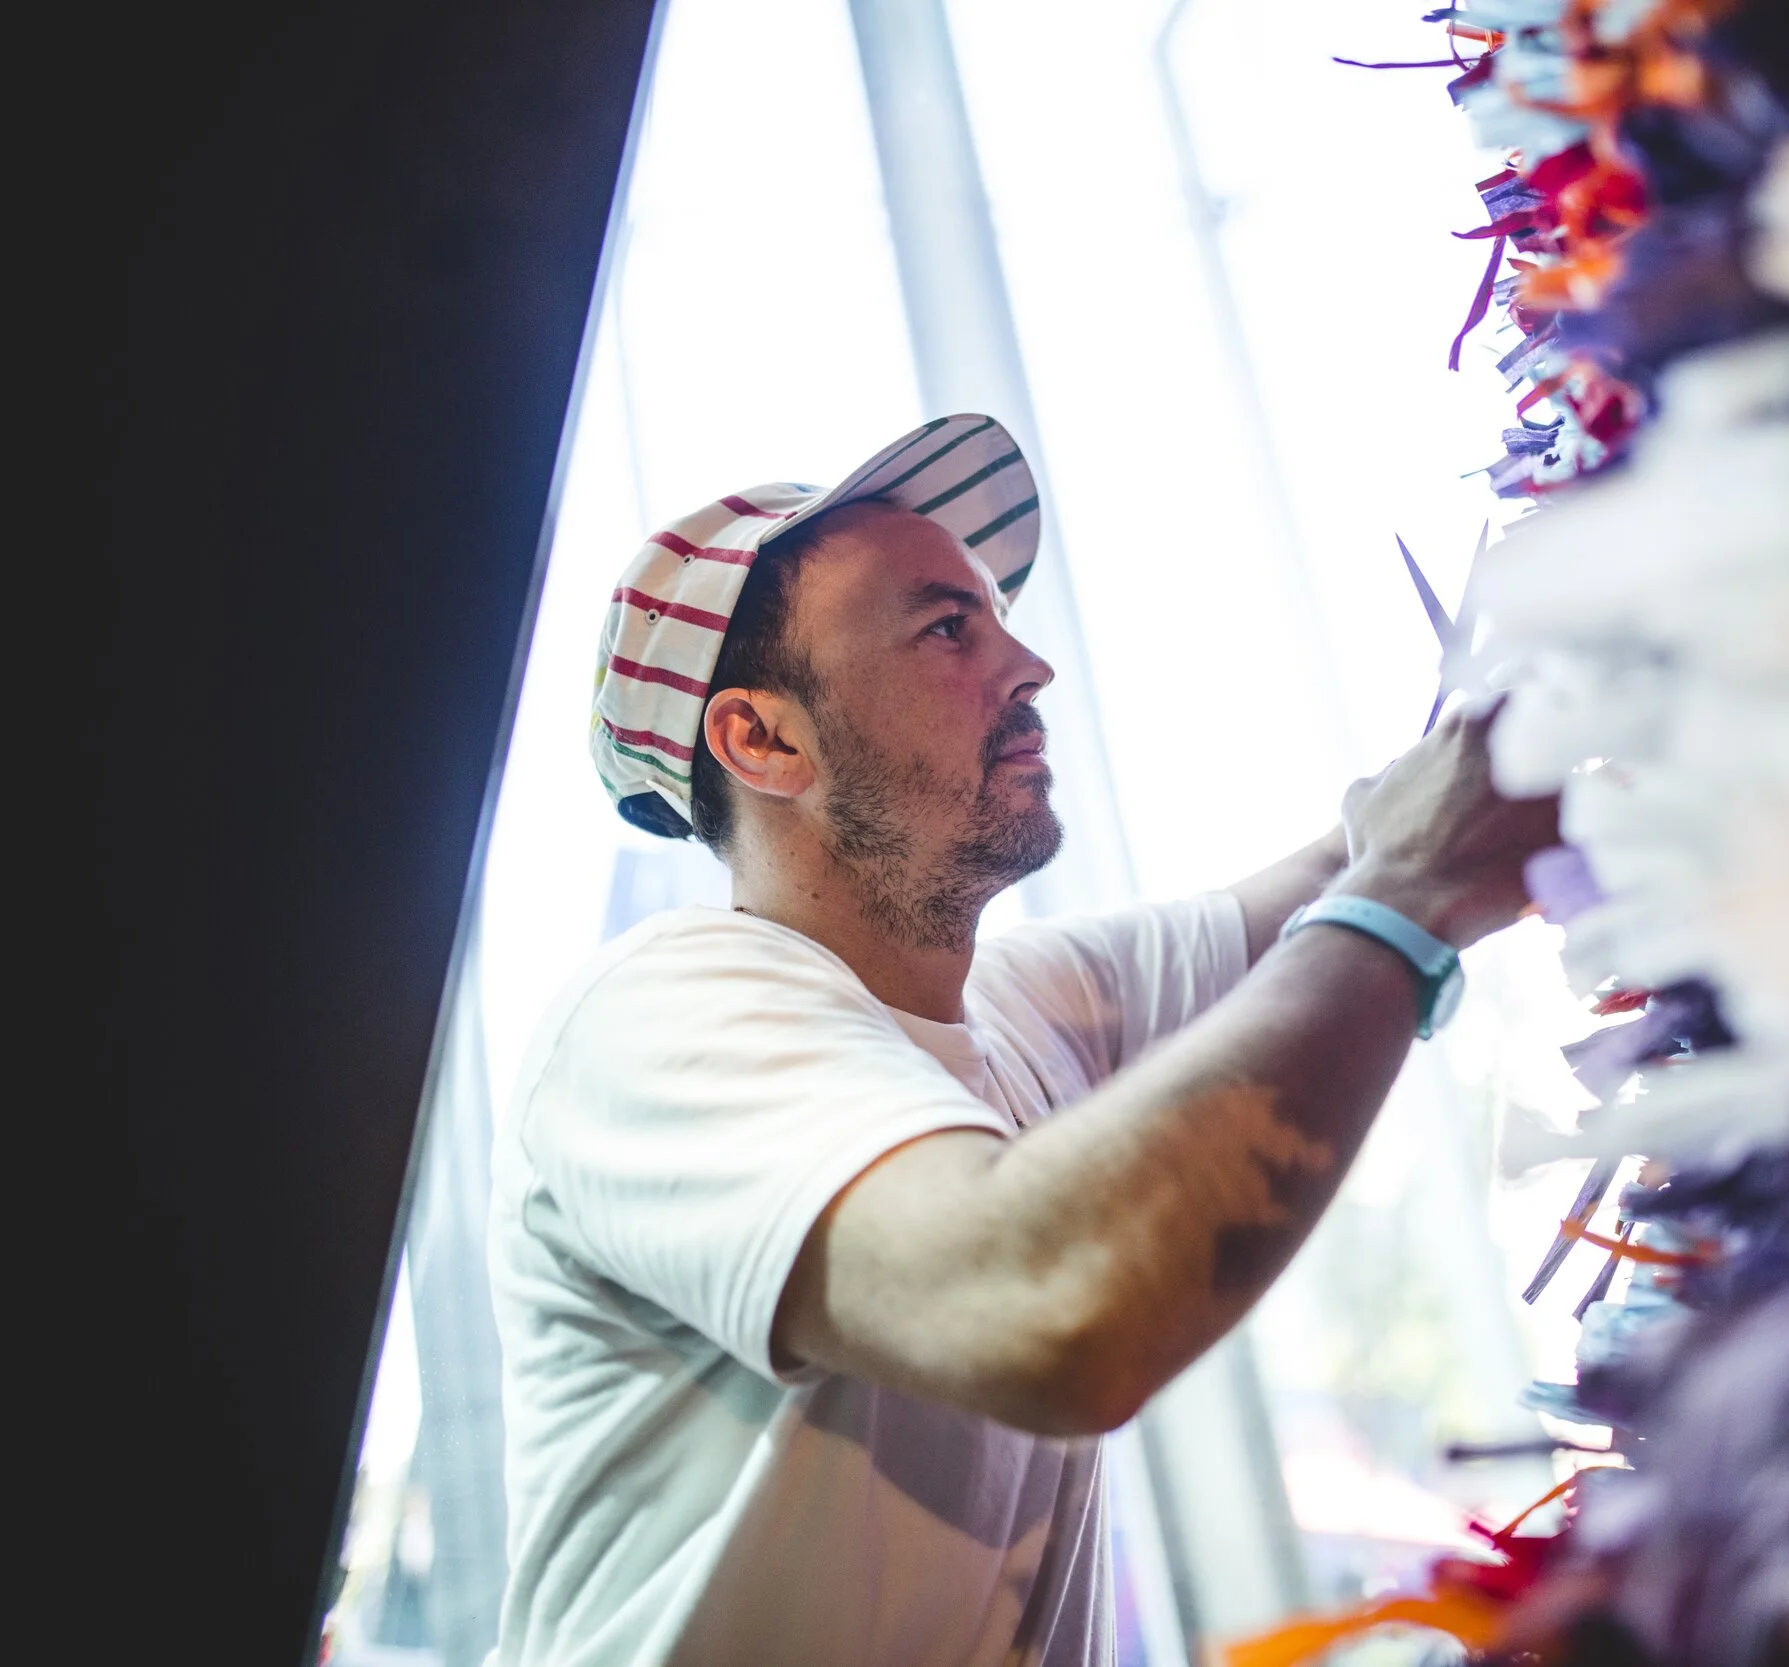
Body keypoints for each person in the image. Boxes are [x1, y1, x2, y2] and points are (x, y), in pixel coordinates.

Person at [487, 414, 1558, 1667]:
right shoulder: (665, 1011)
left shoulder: (1018, 1002)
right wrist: (1408, 902)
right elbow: (1046, 1303)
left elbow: (1364, 861)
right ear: (763, 739)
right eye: (949, 628)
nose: (1030, 663)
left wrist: (1574, 702)